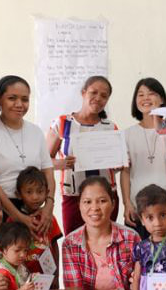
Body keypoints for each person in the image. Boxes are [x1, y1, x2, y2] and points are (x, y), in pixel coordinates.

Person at [52, 176, 144, 290]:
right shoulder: (70, 243)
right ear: (79, 205)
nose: (94, 208)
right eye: (87, 202)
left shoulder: (131, 238)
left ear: (113, 203)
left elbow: (143, 286)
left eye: (102, 201)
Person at [0, 76, 55, 235]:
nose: (19, 104)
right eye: (12, 98)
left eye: (25, 99)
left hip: (32, 209)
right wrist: (18, 216)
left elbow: (48, 172)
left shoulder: (35, 131)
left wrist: (49, 206)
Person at [121, 78, 166, 239]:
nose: (145, 98)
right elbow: (125, 172)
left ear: (161, 99)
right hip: (139, 209)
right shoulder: (127, 134)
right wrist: (127, 203)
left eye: (151, 93)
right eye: (140, 94)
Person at [47, 76, 120, 235]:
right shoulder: (63, 123)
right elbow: (43, 161)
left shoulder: (110, 127)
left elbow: (116, 165)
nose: (98, 98)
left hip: (106, 197)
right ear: (83, 92)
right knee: (74, 243)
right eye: (93, 92)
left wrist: (120, 162)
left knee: (106, 242)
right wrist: (61, 163)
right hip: (74, 196)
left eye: (104, 95)